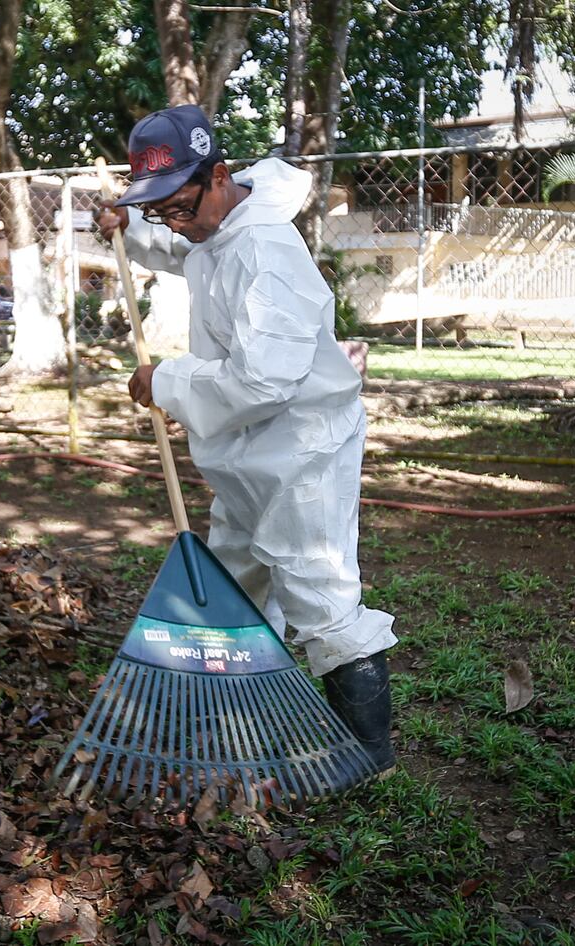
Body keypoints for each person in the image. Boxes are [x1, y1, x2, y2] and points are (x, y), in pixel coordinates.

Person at [97, 104, 397, 774]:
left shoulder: (269, 252)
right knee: (236, 574)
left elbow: (264, 380)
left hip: (301, 449)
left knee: (319, 591)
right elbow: (189, 249)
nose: (172, 223)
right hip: (244, 449)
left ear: (220, 176)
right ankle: (238, 705)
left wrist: (168, 380)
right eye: (156, 212)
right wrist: (131, 230)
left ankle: (367, 750)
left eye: (176, 206)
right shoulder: (217, 224)